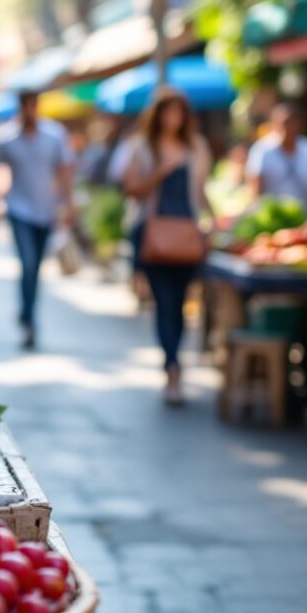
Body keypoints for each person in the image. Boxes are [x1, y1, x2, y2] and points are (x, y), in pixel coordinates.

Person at [121, 88, 214, 404]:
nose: (173, 119)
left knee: (181, 305)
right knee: (163, 303)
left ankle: (174, 361)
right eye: (168, 112)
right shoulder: (143, 148)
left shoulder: (196, 148)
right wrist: (160, 172)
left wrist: (212, 223)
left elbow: (200, 192)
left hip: (186, 234)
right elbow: (131, 189)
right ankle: (172, 366)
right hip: (154, 233)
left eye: (179, 112)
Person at [0, 90, 75, 349]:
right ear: (21, 107)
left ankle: (27, 312)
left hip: (46, 211)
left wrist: (68, 205)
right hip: (19, 210)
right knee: (28, 262)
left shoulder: (54, 135)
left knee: (35, 268)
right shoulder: (6, 138)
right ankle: (29, 320)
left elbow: (64, 171)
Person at [246, 103, 307, 215]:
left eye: (292, 123)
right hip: (272, 219)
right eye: (284, 124)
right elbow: (255, 189)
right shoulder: (262, 150)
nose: (288, 128)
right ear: (274, 124)